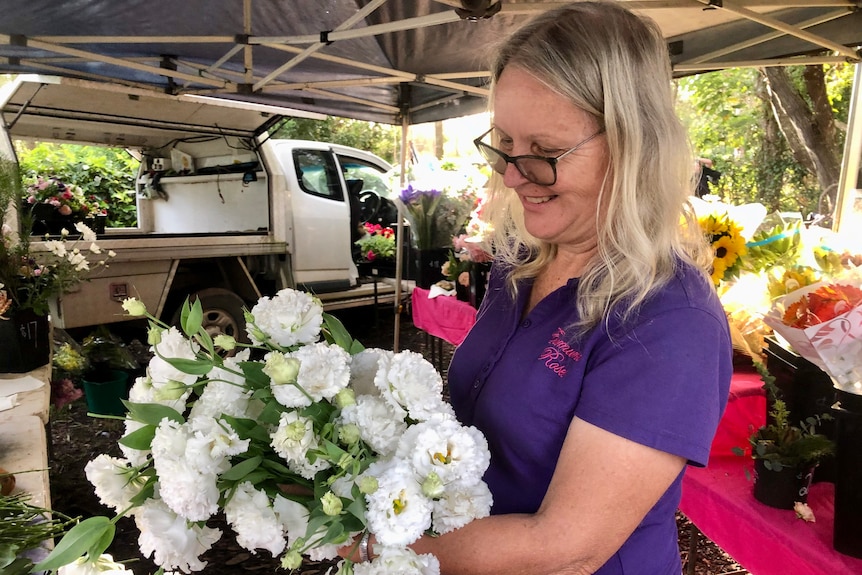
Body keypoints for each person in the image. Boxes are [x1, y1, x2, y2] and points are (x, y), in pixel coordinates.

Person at [345, 2, 732, 573]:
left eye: (545, 154)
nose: (511, 174)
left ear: (634, 145)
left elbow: (566, 550)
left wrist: (374, 549)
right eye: (504, 142)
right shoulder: (521, 259)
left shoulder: (669, 323)